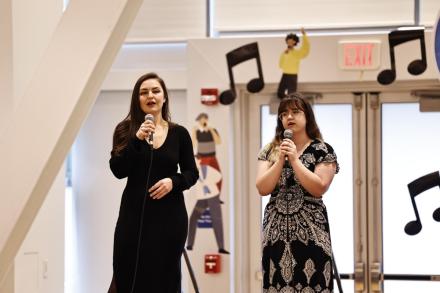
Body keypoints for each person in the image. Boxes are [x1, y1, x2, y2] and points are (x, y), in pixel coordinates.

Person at [108, 72, 199, 293]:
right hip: (133, 217)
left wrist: (173, 182)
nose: (150, 95)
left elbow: (191, 173)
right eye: (144, 92)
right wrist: (136, 140)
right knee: (128, 273)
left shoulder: (180, 133)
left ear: (164, 97)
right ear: (137, 99)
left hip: (170, 219)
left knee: (165, 280)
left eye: (155, 90)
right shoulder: (125, 130)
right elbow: (118, 170)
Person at [256, 93, 339, 292]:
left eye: (295, 112)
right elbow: (262, 187)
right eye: (284, 114)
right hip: (275, 232)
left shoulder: (322, 150)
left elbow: (319, 187)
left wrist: (294, 160)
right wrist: (280, 160)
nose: (289, 117)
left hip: (311, 232)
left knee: (312, 283)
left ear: (307, 116)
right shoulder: (270, 150)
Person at [186, 156, 229, 254]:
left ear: (199, 161)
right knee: (193, 218)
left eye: (195, 160)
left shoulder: (207, 169)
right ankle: (189, 244)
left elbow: (218, 176)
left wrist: (207, 183)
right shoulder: (192, 173)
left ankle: (221, 247)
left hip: (213, 196)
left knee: (216, 220)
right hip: (202, 199)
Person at [277, 28, 310, 99]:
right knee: (280, 93)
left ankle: (290, 104)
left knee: (291, 94)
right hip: (285, 74)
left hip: (293, 75)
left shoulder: (297, 53)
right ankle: (286, 103)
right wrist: (285, 54)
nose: (290, 42)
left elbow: (305, 48)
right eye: (288, 41)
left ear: (295, 42)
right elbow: (281, 64)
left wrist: (304, 35)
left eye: (291, 41)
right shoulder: (285, 52)